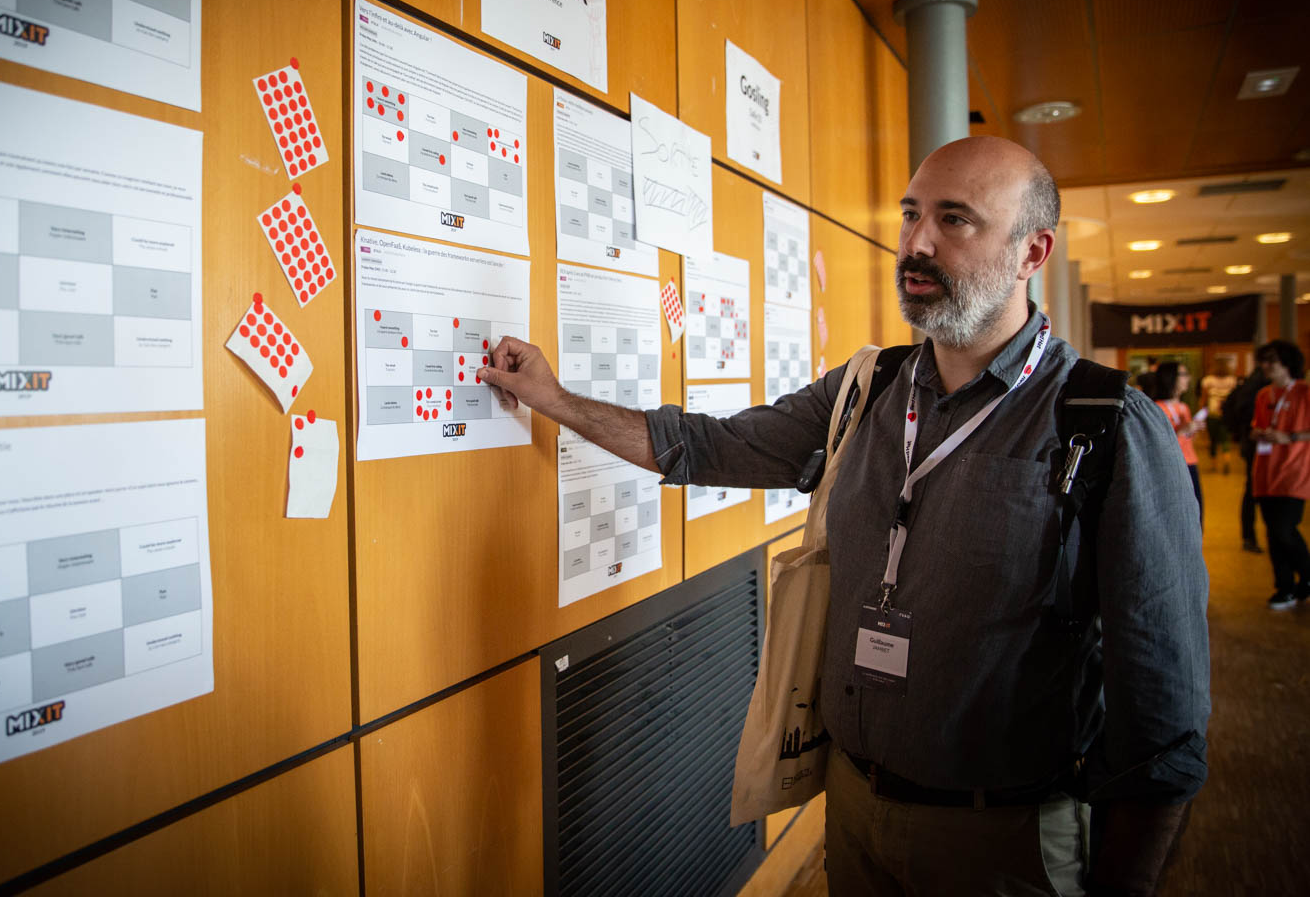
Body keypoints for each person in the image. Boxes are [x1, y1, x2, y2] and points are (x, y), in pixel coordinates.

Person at [479, 136, 1209, 896]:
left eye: (955, 219)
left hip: (1005, 840)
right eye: (911, 214)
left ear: (1033, 252)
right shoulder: (871, 388)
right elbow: (710, 446)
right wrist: (553, 400)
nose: (917, 243)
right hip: (853, 805)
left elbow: (1163, 715)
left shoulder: (1103, 423)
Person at [1249, 340, 1310, 609]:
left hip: (1294, 471)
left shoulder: (1304, 392)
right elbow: (1257, 425)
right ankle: (1285, 587)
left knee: (1284, 529)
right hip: (1265, 471)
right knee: (1273, 533)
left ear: (1287, 363)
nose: (1266, 366)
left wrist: (1291, 437)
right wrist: (1257, 433)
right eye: (1263, 360)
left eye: (1271, 360)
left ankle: (1306, 576)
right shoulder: (1264, 394)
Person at [1224, 362, 1269, 552]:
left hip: (1251, 443)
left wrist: (1239, 433)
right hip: (1260, 443)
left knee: (1252, 489)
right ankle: (1259, 535)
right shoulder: (1262, 387)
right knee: (1257, 489)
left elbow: (1229, 407)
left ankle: (1249, 536)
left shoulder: (1249, 384)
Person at [1152, 361, 1204, 524]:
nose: (1188, 378)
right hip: (1171, 466)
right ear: (1170, 378)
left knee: (1196, 511)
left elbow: (1187, 440)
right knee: (1178, 515)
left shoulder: (1184, 407)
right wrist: (1181, 431)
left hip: (1190, 462)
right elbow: (1156, 443)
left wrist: (1192, 429)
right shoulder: (1157, 408)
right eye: (1184, 374)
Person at [1198, 358, 1238, 473]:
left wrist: (1201, 414)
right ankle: (1226, 460)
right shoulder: (1232, 380)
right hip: (1226, 414)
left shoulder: (1208, 380)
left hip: (1212, 413)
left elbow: (1203, 399)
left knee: (1213, 440)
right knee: (1225, 439)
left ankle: (1214, 465)